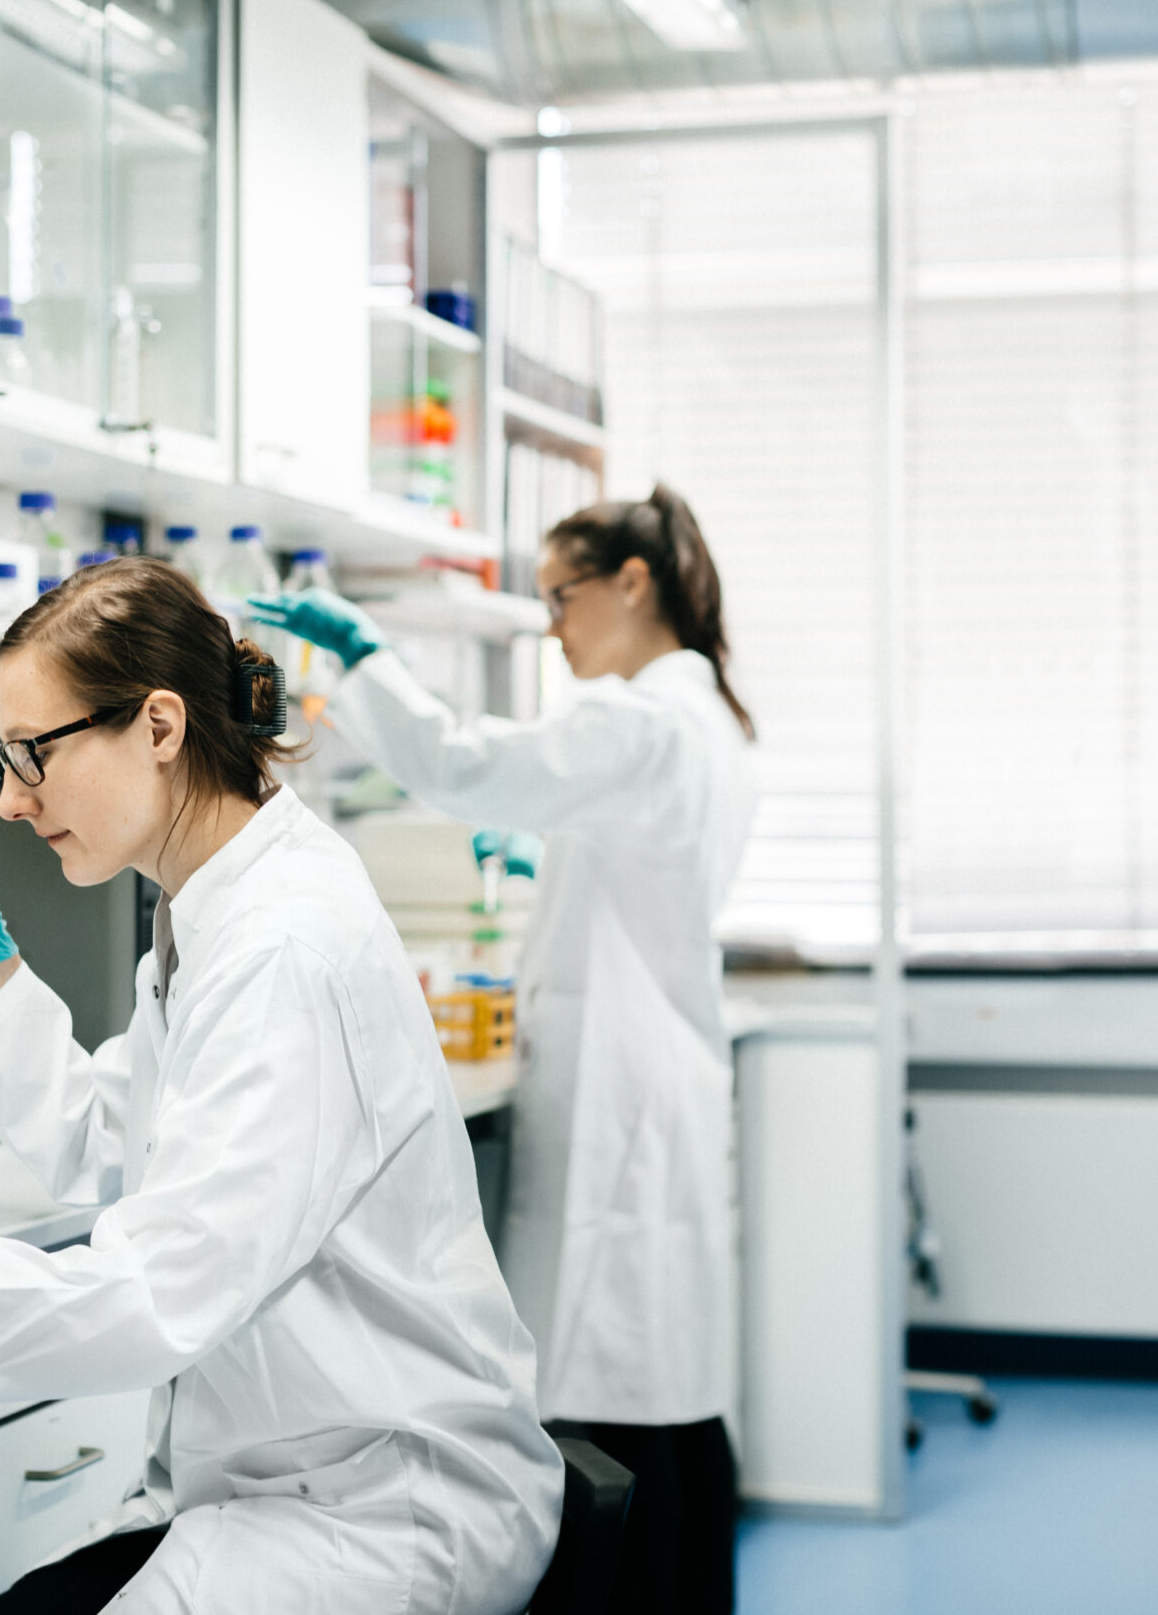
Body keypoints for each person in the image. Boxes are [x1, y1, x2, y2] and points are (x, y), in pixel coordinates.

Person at [0, 556, 564, 1615]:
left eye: (35, 753)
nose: (14, 796)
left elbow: (149, 1295)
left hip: (381, 1513)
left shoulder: (281, 948)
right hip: (286, 1482)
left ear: (161, 727)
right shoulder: (216, 908)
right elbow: (111, 1141)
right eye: (3, 759)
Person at [251, 483, 758, 1615]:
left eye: (562, 596)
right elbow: (620, 853)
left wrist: (369, 662)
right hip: (654, 1065)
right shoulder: (700, 717)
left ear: (635, 584)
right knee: (655, 1377)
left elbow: (467, 763)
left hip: (627, 1088)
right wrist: (550, 866)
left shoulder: (643, 718)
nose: (554, 625)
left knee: (617, 1381)